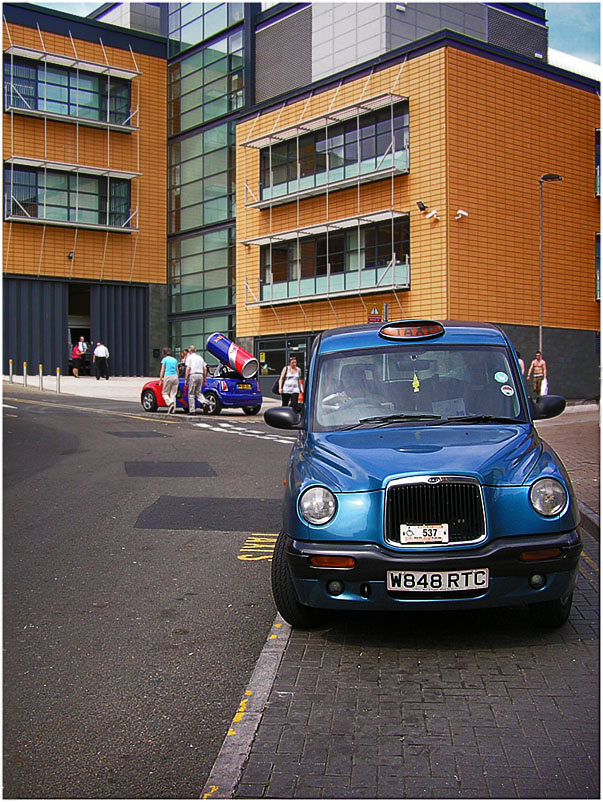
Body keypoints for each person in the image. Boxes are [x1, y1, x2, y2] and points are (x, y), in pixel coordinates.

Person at [184, 345, 207, 415]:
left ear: (190, 351)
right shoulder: (200, 358)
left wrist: (186, 379)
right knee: (198, 392)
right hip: (200, 375)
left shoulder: (189, 358)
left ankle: (192, 410)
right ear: (195, 351)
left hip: (193, 375)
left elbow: (188, 369)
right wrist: (204, 378)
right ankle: (204, 402)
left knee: (191, 393)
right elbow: (205, 369)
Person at [159, 346, 179, 414]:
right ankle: (172, 410)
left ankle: (170, 403)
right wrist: (178, 377)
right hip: (175, 376)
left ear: (164, 353)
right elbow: (177, 369)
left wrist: (160, 379)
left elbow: (162, 370)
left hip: (168, 375)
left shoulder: (164, 360)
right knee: (173, 394)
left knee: (164, 393)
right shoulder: (175, 360)